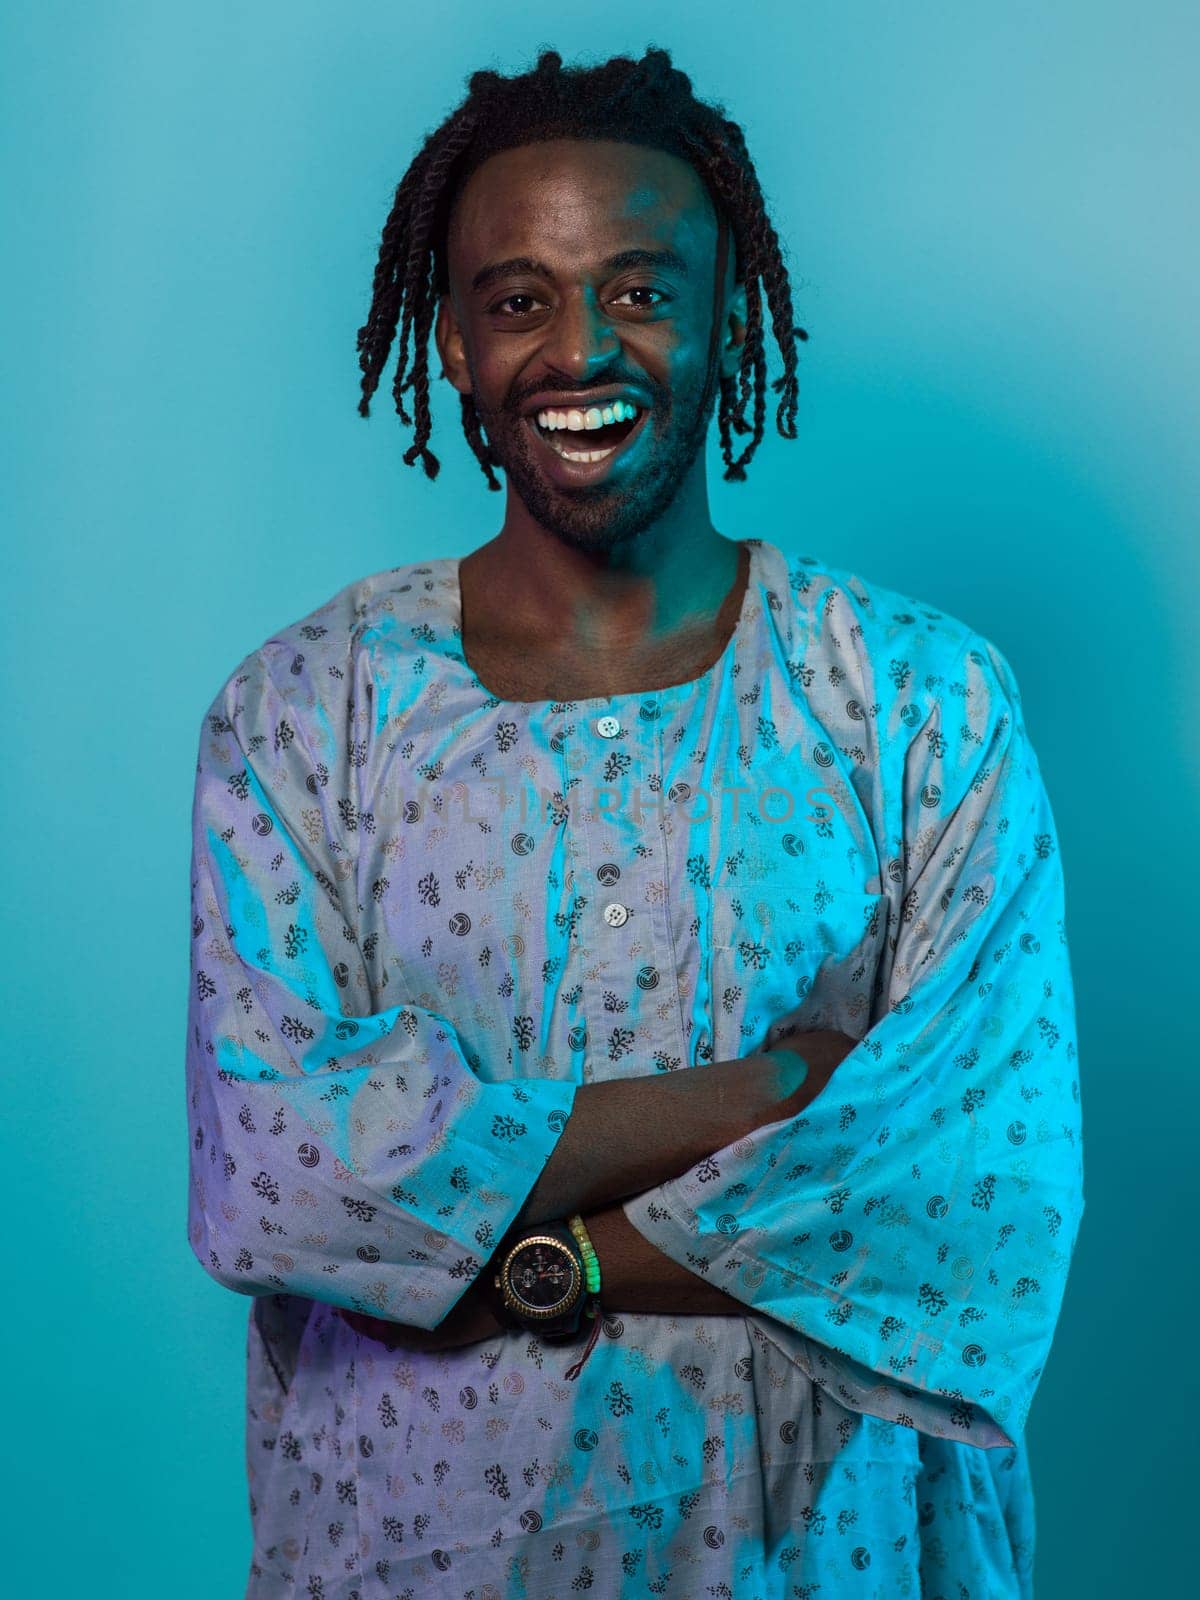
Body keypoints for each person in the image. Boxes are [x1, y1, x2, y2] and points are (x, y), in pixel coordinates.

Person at [185, 46, 1084, 1599]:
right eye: (518, 298)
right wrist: (776, 1090)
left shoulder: (918, 702)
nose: (580, 347)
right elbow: (279, 1169)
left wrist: (546, 1259)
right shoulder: (302, 717)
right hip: (413, 1549)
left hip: (833, 1553)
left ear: (730, 321)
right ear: (453, 343)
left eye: (644, 290)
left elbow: (972, 1183)